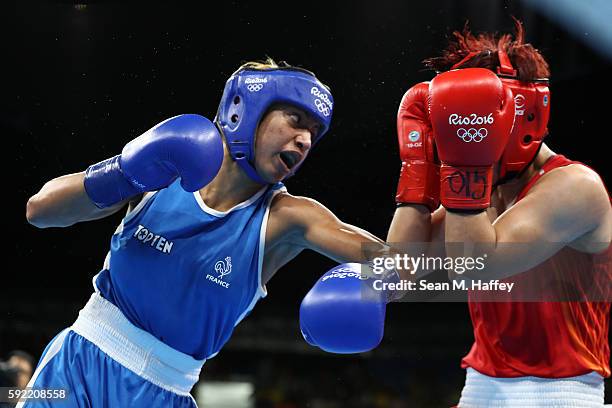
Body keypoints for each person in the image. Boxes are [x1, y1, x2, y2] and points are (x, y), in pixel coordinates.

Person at [24, 59, 403, 407]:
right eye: (295, 118)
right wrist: (123, 172)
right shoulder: (164, 169)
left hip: (166, 393)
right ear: (246, 111)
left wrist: (387, 279)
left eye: (314, 130)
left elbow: (410, 266)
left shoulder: (288, 218)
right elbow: (39, 211)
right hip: (76, 365)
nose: (305, 139)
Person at [388, 20, 611, 407]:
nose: (460, 132)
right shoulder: (481, 195)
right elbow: (399, 273)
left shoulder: (576, 187)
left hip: (559, 392)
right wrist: (417, 170)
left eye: (469, 120)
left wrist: (465, 168)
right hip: (480, 386)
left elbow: (471, 267)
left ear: (522, 116)